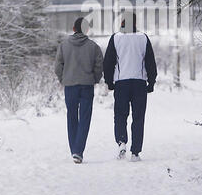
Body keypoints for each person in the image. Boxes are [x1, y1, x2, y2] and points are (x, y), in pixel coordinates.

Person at [103, 12, 157, 162]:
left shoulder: (116, 38)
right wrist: (151, 82)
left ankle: (121, 142)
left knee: (120, 115)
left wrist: (109, 81)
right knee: (138, 117)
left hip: (121, 83)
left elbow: (108, 62)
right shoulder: (143, 38)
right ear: (135, 23)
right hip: (139, 83)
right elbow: (150, 62)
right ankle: (135, 152)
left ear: (122, 22)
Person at [55, 17, 103, 164]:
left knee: (71, 117)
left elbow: (58, 66)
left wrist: (63, 79)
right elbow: (99, 66)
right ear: (87, 29)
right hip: (87, 85)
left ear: (74, 28)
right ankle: (78, 151)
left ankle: (74, 150)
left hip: (70, 86)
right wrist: (94, 79)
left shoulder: (64, 45)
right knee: (85, 118)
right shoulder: (93, 47)